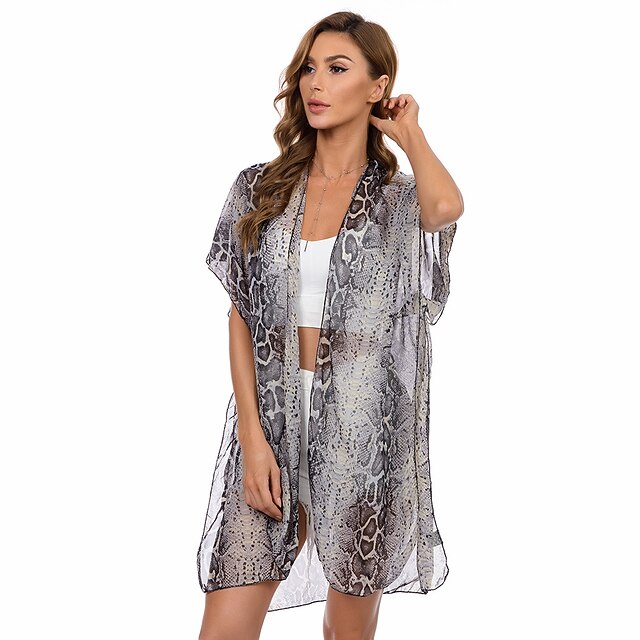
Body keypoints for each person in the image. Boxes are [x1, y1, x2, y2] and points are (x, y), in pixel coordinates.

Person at [197, 10, 463, 640]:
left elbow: (446, 207)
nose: (316, 83)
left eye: (338, 69)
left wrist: (409, 133)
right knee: (224, 626)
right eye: (309, 68)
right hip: (273, 421)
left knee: (347, 631)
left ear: (378, 87)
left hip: (366, 432)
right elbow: (241, 314)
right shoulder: (259, 189)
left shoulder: (397, 200)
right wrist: (252, 437)